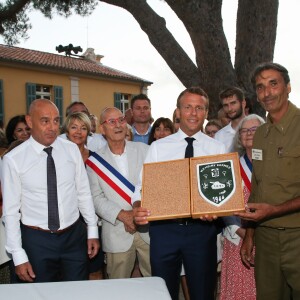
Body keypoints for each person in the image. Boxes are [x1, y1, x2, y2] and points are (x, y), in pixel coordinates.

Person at [133, 87, 226, 300]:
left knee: (203, 293)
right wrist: (137, 207)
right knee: (164, 293)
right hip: (165, 231)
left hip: (201, 232)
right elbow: (142, 187)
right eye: (188, 107)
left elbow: (223, 193)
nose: (193, 113)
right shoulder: (158, 147)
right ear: (178, 111)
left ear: (206, 112)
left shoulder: (218, 149)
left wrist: (217, 211)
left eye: (199, 108)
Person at [2, 99, 99, 283]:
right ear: (30, 122)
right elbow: (11, 212)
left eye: (56, 120)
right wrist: (18, 254)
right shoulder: (14, 159)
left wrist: (92, 230)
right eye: (45, 121)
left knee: (77, 293)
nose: (52, 127)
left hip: (74, 237)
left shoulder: (71, 150)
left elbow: (83, 193)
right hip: (36, 241)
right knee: (40, 295)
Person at [235, 62, 300, 300]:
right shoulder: (260, 134)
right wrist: (250, 235)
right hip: (266, 239)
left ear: (288, 87)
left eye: (273, 84)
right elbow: (258, 186)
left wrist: (275, 210)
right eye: (260, 87)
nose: (267, 92)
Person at [87, 107, 151, 279]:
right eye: (111, 122)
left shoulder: (145, 150)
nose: (118, 125)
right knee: (118, 290)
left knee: (156, 284)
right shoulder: (94, 161)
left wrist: (138, 214)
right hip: (116, 231)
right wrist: (124, 215)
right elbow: (95, 198)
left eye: (121, 120)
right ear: (102, 129)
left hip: (148, 229)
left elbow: (154, 187)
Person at [220, 114, 265, 300]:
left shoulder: (274, 166)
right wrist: (243, 233)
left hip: (268, 240)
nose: (249, 133)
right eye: (245, 130)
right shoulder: (229, 167)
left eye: (254, 130)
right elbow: (222, 204)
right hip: (238, 239)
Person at [64, 112, 105, 280]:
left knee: (94, 269)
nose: (78, 132)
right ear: (66, 131)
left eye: (83, 128)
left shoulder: (96, 159)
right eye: (74, 127)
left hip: (92, 220)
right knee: (70, 271)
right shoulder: (59, 156)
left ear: (88, 132)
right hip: (67, 223)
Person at [215, 87, 246, 152]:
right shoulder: (219, 136)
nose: (229, 109)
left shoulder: (257, 129)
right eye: (226, 105)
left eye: (233, 103)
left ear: (243, 103)